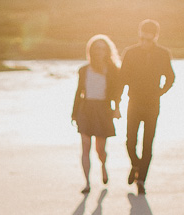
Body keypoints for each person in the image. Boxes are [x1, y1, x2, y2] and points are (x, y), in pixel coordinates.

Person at [121, 19, 175, 195]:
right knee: (130, 141)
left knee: (148, 144)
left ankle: (141, 180)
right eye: (142, 38)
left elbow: (170, 77)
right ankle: (136, 165)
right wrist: (115, 101)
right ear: (139, 35)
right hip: (134, 102)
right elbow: (122, 77)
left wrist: (160, 92)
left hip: (153, 104)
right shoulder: (130, 53)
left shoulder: (163, 54)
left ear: (156, 37)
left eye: (149, 39)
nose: (145, 42)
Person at [71, 34, 122, 194]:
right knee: (85, 147)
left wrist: (117, 109)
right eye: (96, 48)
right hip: (85, 109)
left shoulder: (112, 70)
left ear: (107, 51)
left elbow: (117, 92)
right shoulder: (84, 70)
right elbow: (79, 92)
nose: (99, 51)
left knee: (100, 149)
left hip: (103, 110)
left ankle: (103, 166)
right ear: (91, 51)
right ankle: (87, 183)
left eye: (102, 48)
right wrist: (73, 113)